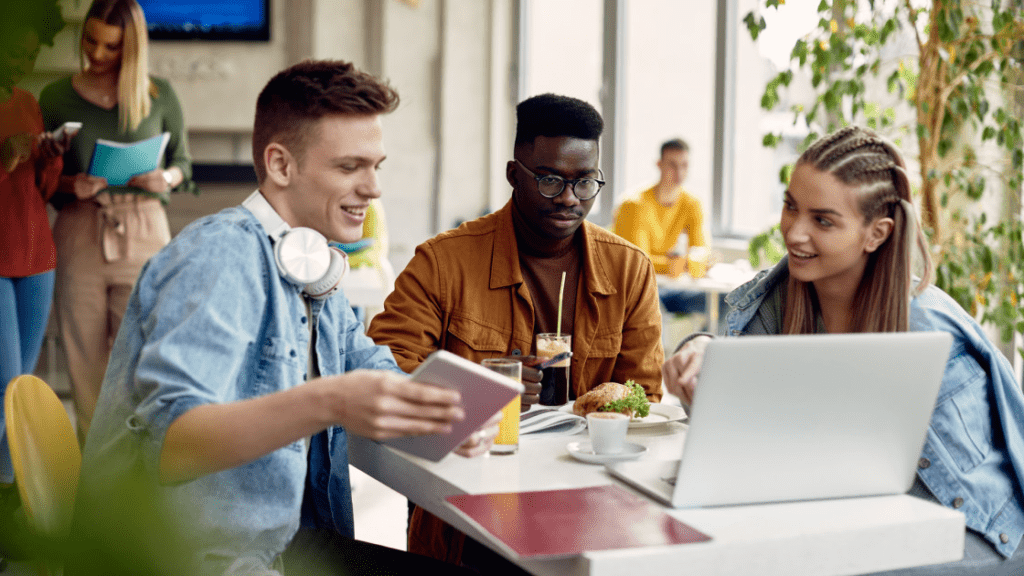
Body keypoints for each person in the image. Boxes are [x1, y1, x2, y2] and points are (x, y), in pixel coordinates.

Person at [75, 60, 491, 575]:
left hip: (280, 549)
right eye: (348, 167)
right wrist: (331, 399)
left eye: (375, 165)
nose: (373, 188)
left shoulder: (308, 261)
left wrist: (442, 413)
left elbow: (371, 365)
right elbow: (171, 443)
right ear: (280, 165)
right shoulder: (220, 257)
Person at [662, 126, 1024, 575]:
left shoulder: (929, 333)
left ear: (877, 233)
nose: (794, 233)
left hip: (977, 536)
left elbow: (949, 504)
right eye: (790, 206)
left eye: (823, 220)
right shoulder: (782, 300)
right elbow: (728, 374)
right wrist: (699, 349)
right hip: (853, 523)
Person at [368, 93, 665, 572]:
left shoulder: (628, 268)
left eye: (585, 182)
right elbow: (382, 368)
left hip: (588, 500)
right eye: (550, 180)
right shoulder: (443, 262)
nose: (570, 198)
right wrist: (478, 390)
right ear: (513, 175)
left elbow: (643, 394)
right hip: (470, 515)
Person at [38, 0, 194, 442]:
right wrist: (72, 185)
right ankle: (93, 477)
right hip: (80, 229)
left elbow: (184, 163)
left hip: (145, 229)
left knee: (141, 360)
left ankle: (134, 472)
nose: (98, 53)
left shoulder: (158, 94)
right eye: (90, 40)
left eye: (111, 46)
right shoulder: (55, 97)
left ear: (132, 46)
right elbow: (40, 183)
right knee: (84, 362)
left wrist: (164, 175)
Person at [0, 0, 65, 531]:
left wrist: (49, 157)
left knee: (23, 385)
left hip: (37, 254)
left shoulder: (27, 102)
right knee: (3, 384)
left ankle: (12, 505)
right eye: (18, 51)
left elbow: (40, 192)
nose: (27, 60)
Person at [613, 138, 710, 317]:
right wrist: (684, 264)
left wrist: (688, 263)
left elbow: (700, 251)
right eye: (672, 165)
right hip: (635, 289)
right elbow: (640, 263)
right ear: (659, 164)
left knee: (726, 302)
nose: (679, 173)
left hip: (670, 287)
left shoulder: (692, 203)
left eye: (684, 165)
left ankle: (705, 345)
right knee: (654, 307)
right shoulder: (634, 205)